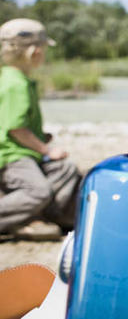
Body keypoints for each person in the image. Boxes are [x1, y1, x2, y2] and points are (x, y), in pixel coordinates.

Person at [0, 18, 82, 239]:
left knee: (66, 169)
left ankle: (42, 216)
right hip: (13, 158)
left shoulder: (15, 79)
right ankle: (22, 217)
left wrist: (40, 138)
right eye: (44, 50)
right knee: (38, 191)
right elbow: (15, 129)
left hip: (24, 153)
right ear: (34, 52)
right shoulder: (15, 84)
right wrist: (46, 150)